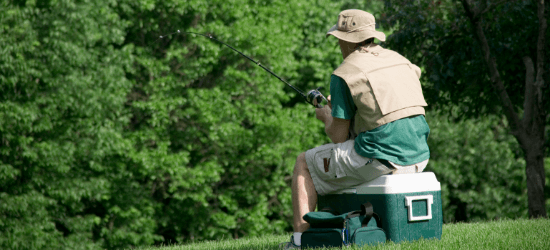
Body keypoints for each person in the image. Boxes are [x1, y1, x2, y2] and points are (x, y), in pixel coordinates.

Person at [280, 9, 430, 249]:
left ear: (345, 40)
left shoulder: (343, 74)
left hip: (383, 157)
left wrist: (326, 116)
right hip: (419, 155)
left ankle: (299, 242)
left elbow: (338, 137)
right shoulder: (401, 61)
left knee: (304, 163)